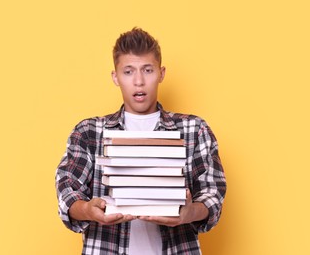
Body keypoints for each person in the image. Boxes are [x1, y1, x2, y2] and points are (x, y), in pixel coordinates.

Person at [55, 27, 227, 255]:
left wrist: (189, 213)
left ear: (161, 73)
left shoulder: (194, 130)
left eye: (147, 70)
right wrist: (87, 209)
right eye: (128, 72)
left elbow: (212, 193)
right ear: (115, 77)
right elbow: (67, 192)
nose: (138, 81)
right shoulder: (89, 132)